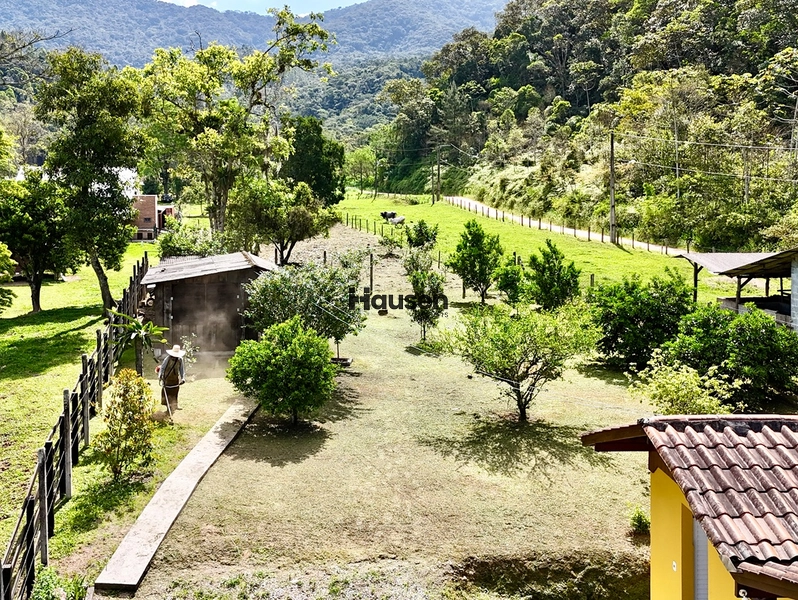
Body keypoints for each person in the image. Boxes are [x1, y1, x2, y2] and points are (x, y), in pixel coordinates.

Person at [158, 344, 186, 412]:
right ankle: (168, 407)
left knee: (175, 392)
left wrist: (182, 378)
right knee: (168, 393)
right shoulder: (167, 359)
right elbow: (162, 368)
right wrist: (160, 376)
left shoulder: (180, 359)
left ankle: (175, 406)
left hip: (175, 379)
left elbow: (181, 369)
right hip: (167, 379)